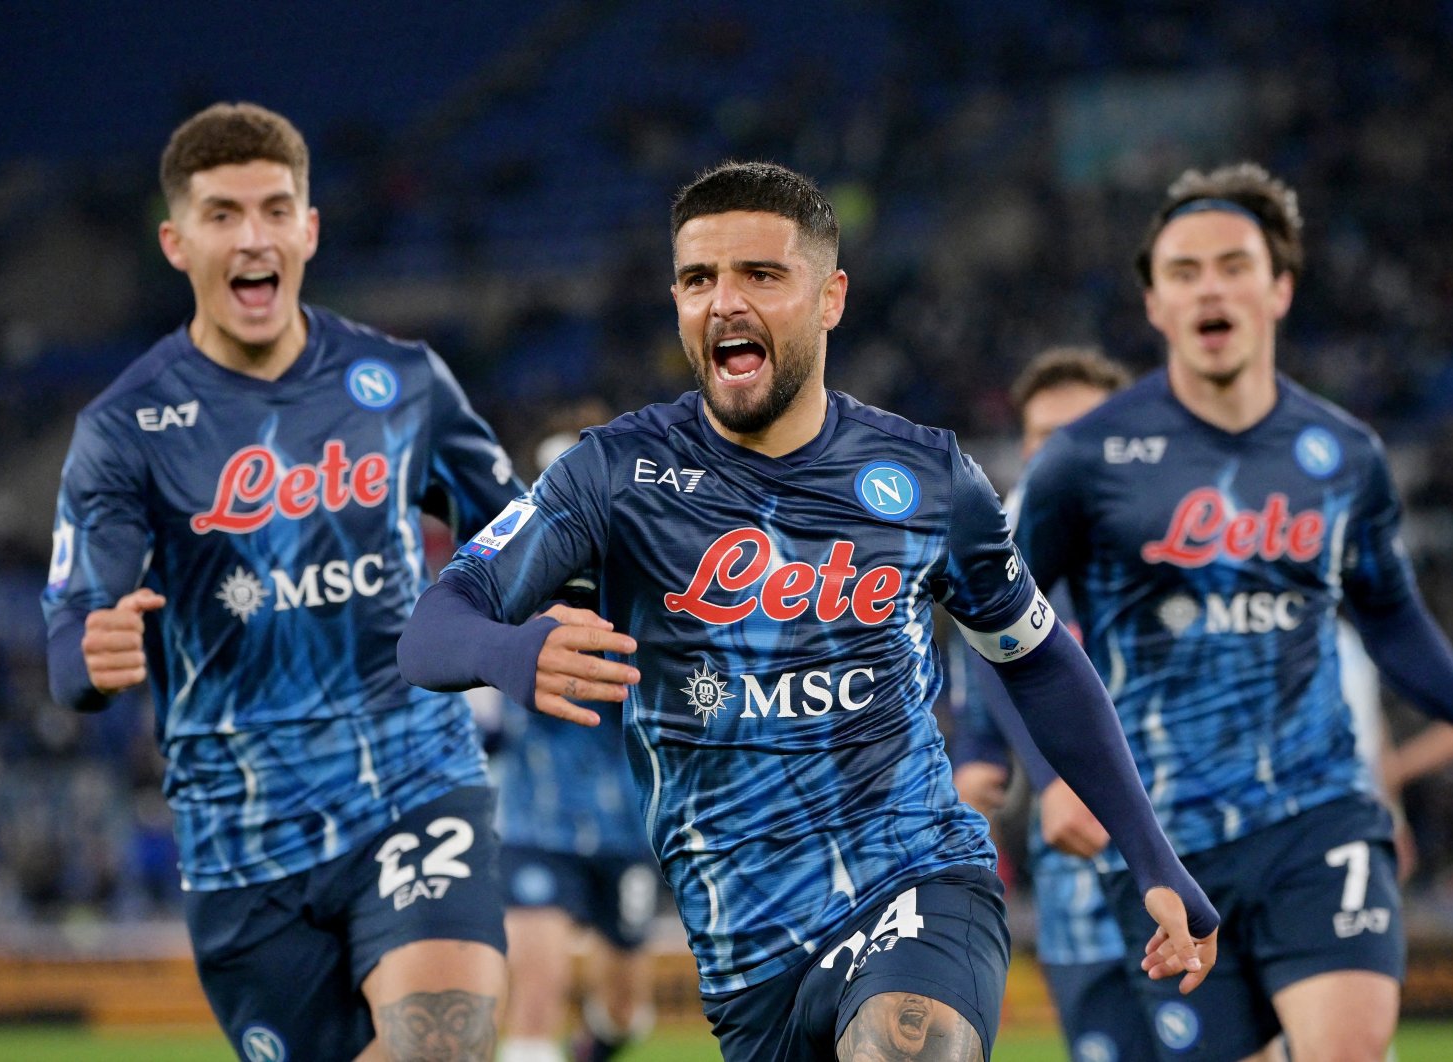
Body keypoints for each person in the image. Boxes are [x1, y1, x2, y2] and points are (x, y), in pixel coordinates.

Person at [399, 160, 1220, 1061]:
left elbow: (1037, 659)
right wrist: (511, 653)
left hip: (918, 876)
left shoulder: (930, 480)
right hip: (749, 953)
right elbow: (434, 626)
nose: (724, 302)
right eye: (698, 279)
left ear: (830, 297)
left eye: (760, 274)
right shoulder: (611, 475)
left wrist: (1150, 855)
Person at [1014, 162, 1453, 1061]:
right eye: (1183, 271)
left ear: (1278, 288)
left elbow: (1387, 607)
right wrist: (1053, 774)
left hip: (1316, 810)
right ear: (1153, 305)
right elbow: (1002, 627)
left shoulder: (1344, 456)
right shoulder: (1084, 460)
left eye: (1232, 264)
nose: (1209, 285)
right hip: (1163, 839)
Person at [42, 102, 520, 1062]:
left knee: (445, 1043)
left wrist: (549, 611)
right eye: (223, 214)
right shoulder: (124, 427)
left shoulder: (404, 383)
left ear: (308, 228)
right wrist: (89, 657)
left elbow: (514, 534)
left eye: (273, 209)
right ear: (177, 242)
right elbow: (70, 643)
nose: (252, 236)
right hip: (241, 838)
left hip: (411, 785)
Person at [947, 347, 1159, 1062]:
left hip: (1191, 850)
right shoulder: (999, 553)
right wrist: (979, 759)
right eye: (1041, 434)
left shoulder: (1175, 544)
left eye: (1080, 430)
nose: (1056, 451)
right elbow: (983, 674)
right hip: (1075, 872)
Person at [494, 414, 661, 1062]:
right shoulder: (509, 579)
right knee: (536, 990)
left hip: (624, 822)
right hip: (537, 821)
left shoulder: (650, 585)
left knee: (625, 1007)